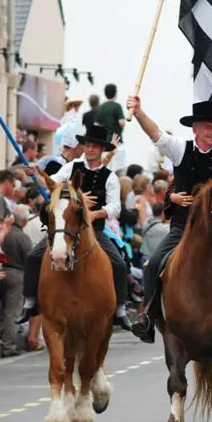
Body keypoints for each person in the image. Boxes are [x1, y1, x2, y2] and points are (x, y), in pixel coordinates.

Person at [126, 95, 212, 343]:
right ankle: (148, 317)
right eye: (208, 127)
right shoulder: (180, 148)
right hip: (185, 227)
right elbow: (155, 133)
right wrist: (138, 112)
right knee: (154, 264)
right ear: (196, 129)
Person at [45, 124, 133, 330]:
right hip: (67, 228)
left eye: (95, 146)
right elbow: (53, 183)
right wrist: (37, 176)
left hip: (95, 231)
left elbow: (114, 207)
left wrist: (95, 213)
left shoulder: (110, 177)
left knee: (119, 264)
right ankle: (31, 302)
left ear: (102, 149)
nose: (90, 149)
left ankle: (119, 308)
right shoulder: (70, 167)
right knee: (34, 256)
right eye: (87, 145)